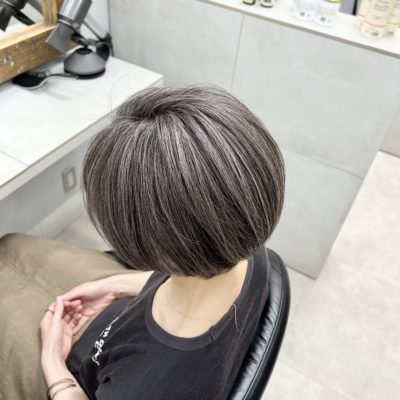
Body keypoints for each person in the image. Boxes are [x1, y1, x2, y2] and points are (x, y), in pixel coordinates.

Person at [0, 85, 285, 400]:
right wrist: (115, 286)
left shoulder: (156, 387)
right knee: (11, 246)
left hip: (75, 376)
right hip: (124, 310)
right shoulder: (242, 236)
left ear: (160, 248)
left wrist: (53, 362)